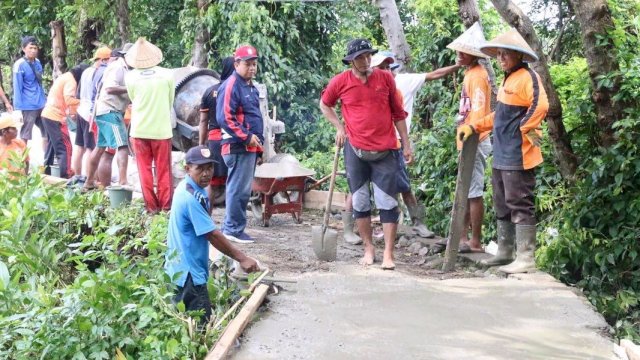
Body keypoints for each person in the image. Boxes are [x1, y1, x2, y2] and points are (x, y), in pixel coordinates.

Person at [458, 28, 549, 274]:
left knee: (520, 202)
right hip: (501, 152)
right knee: (502, 201)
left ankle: (526, 257)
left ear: (519, 55)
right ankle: (505, 252)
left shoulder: (528, 77)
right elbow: (500, 115)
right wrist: (474, 126)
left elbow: (541, 105)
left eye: (505, 54)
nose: (501, 58)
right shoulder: (509, 78)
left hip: (519, 153)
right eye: (498, 54)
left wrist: (523, 128)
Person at [320, 38, 411, 270]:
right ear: (351, 60)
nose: (366, 60)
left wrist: (407, 144)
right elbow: (325, 104)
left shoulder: (385, 78)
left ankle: (388, 254)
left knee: (387, 202)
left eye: (368, 55)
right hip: (356, 149)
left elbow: (398, 113)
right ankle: (369, 247)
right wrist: (340, 128)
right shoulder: (340, 82)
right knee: (360, 201)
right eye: (360, 57)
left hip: (386, 149)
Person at [368, 50, 461, 240]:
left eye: (389, 68)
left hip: (396, 142)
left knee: (403, 184)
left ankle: (418, 223)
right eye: (382, 68)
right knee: (368, 186)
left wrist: (458, 66)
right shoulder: (367, 85)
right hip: (372, 143)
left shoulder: (403, 82)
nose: (387, 72)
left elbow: (434, 75)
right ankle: (373, 227)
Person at [165, 145, 259, 324]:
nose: (206, 173)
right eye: (200, 168)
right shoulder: (190, 197)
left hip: (177, 268)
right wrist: (242, 258)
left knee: (182, 322)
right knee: (201, 327)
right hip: (189, 275)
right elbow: (213, 235)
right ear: (187, 168)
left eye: (210, 167)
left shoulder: (187, 187)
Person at [432, 23, 494, 253]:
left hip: (474, 139)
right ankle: (464, 236)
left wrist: (471, 140)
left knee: (474, 190)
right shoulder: (470, 73)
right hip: (470, 138)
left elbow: (478, 113)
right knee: (467, 189)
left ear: (473, 54)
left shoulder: (477, 76)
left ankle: (474, 240)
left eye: (463, 50)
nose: (459, 53)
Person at [216, 45, 264, 244]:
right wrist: (246, 137)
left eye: (254, 64)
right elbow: (224, 117)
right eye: (247, 64)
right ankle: (232, 230)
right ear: (236, 64)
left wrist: (258, 146)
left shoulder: (250, 86)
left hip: (250, 146)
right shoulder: (231, 85)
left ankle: (232, 226)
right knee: (238, 188)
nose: (252, 68)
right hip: (237, 146)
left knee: (242, 188)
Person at [124, 37, 175, 213]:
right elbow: (170, 101)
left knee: (144, 170)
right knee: (164, 170)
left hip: (139, 130)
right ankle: (166, 206)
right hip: (161, 130)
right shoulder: (168, 74)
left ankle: (151, 207)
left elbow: (133, 98)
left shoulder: (130, 76)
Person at [83, 43, 132, 190]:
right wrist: (131, 88)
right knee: (122, 145)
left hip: (106, 111)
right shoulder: (118, 67)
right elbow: (110, 88)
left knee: (100, 148)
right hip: (110, 111)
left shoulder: (128, 69)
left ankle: (89, 181)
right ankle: (123, 182)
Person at [199, 56, 235, 211]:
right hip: (232, 141)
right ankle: (230, 220)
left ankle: (207, 216)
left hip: (214, 140)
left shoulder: (209, 92)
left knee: (211, 182)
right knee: (232, 180)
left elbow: (203, 121)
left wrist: (201, 143)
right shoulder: (236, 90)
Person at [41, 64, 89, 178]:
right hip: (55, 116)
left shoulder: (64, 76)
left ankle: (46, 172)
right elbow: (69, 99)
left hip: (47, 114)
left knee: (52, 147)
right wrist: (85, 103)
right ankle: (66, 175)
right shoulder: (71, 81)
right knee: (65, 147)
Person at [72, 46, 112, 178]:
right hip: (90, 112)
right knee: (90, 147)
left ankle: (77, 175)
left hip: (81, 110)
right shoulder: (101, 73)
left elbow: (78, 94)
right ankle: (92, 178)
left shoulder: (86, 72)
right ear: (103, 60)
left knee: (79, 146)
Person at [12, 36, 46, 148]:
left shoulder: (38, 62)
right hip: (27, 106)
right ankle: (22, 162)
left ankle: (47, 163)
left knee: (46, 133)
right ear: (23, 49)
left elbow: (39, 84)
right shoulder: (19, 65)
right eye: (30, 48)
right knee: (25, 136)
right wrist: (17, 109)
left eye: (35, 48)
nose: (33, 50)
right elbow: (17, 88)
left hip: (41, 104)